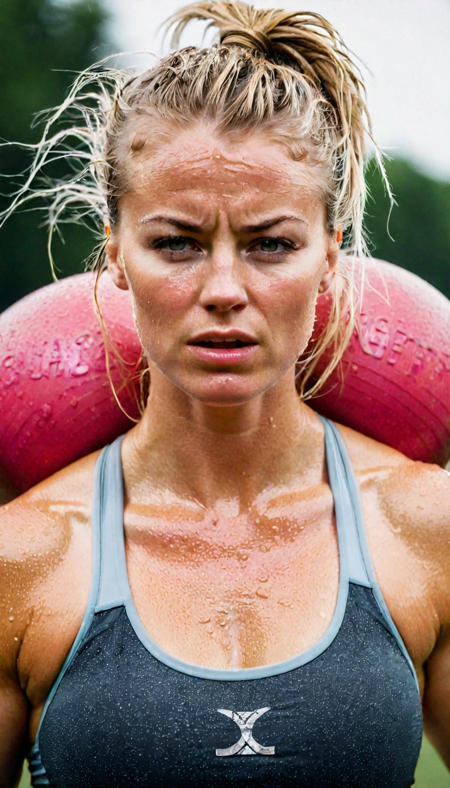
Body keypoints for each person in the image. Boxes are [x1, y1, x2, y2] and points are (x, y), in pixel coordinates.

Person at [1, 1, 449, 785]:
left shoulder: (424, 529)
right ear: (114, 255)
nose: (223, 290)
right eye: (175, 243)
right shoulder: (29, 557)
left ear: (330, 258)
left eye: (270, 244)